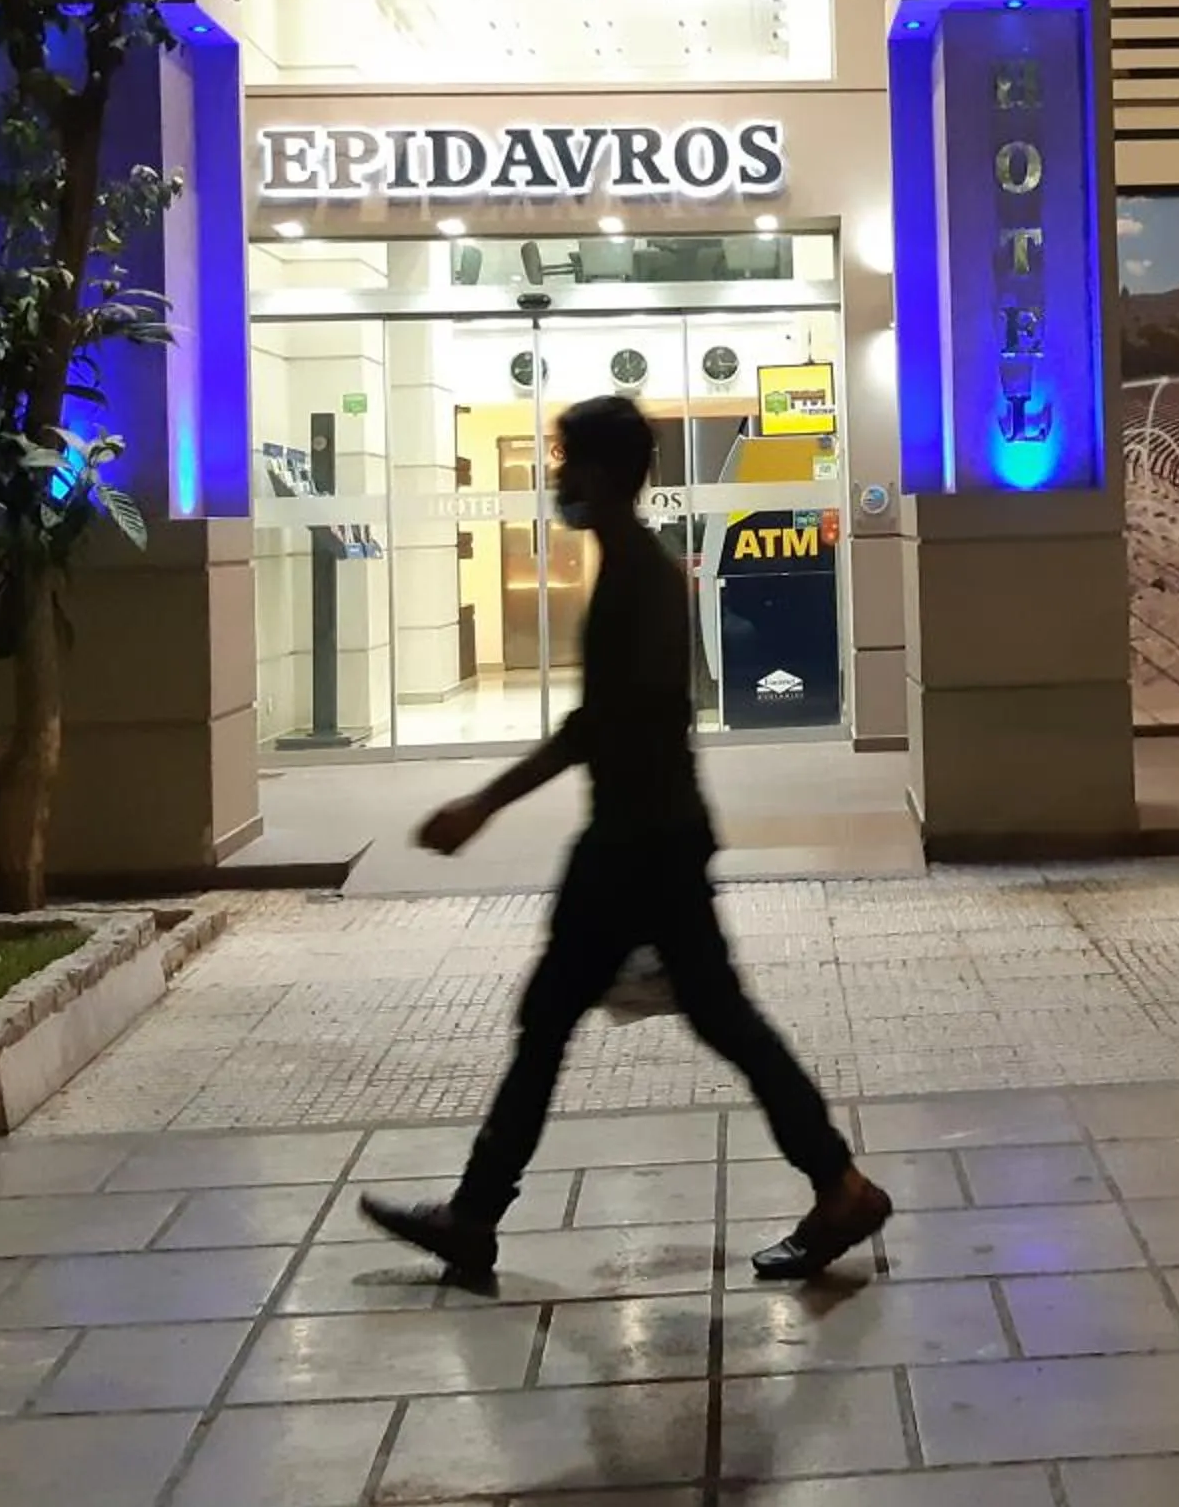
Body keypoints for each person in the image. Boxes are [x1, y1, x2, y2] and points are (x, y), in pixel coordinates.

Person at [361, 393, 892, 1289]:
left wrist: (483, 803)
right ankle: (834, 1185)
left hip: (639, 846)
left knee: (592, 1025)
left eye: (566, 459)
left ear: (605, 472)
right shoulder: (631, 567)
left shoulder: (640, 573)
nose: (557, 476)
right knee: (676, 1023)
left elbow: (604, 724)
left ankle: (476, 1216)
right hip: (648, 840)